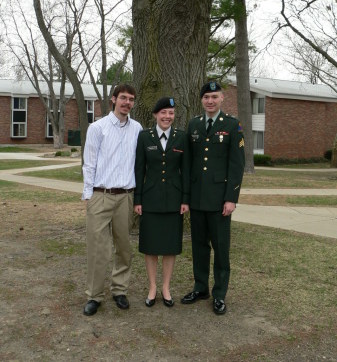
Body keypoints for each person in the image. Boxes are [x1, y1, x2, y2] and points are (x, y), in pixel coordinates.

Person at [181, 81, 245, 315]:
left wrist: (231, 198)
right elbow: (188, 163)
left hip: (220, 201)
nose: (210, 101)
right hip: (197, 199)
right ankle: (200, 288)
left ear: (222, 99)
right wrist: (186, 197)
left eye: (214, 97)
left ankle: (219, 294)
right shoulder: (194, 125)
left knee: (221, 247)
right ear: (201, 100)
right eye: (206, 97)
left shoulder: (232, 125)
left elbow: (237, 165)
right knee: (198, 246)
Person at [82, 84, 142, 316]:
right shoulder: (98, 128)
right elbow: (89, 163)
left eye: (131, 99)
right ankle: (94, 296)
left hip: (125, 197)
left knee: (123, 247)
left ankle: (119, 290)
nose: (127, 103)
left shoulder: (137, 129)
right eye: (123, 98)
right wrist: (88, 195)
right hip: (100, 195)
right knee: (98, 248)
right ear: (113, 100)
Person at [134, 97, 190, 308]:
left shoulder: (181, 137)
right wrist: (137, 199)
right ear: (156, 115)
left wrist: (185, 199)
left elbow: (186, 171)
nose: (167, 117)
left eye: (171, 113)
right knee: (150, 246)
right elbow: (139, 169)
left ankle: (166, 287)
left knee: (169, 246)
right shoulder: (144, 137)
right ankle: (152, 287)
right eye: (164, 113)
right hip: (150, 199)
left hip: (174, 200)